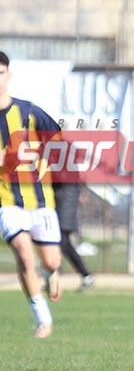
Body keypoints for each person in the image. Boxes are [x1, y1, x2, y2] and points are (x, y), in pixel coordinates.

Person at [0, 51, 64, 338]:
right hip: (7, 202)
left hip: (39, 201)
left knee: (50, 260)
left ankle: (52, 274)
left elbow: (58, 140)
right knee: (25, 254)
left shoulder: (29, 112)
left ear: (8, 76)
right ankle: (43, 320)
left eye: (0, 73)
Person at [54, 181, 95, 290]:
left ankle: (53, 277)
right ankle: (86, 275)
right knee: (65, 246)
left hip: (63, 209)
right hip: (63, 207)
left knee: (62, 245)